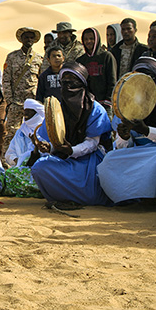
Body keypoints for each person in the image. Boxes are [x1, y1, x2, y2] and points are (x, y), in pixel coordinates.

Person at [97, 57, 156, 208]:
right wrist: (125, 137)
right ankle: (132, 197)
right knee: (110, 159)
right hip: (138, 150)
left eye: (148, 76)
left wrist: (146, 130)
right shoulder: (125, 103)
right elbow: (122, 146)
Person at [30, 62, 112, 207]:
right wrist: (48, 147)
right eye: (64, 82)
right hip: (64, 157)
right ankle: (65, 198)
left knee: (92, 194)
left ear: (82, 84)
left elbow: (92, 143)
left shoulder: (96, 110)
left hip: (90, 158)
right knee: (39, 168)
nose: (67, 86)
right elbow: (54, 139)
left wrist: (72, 150)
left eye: (72, 82)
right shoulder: (57, 110)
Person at [2, 27, 43, 154]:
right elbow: (6, 80)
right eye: (26, 37)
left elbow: (41, 80)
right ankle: (7, 159)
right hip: (16, 102)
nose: (29, 40)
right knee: (11, 132)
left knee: (34, 132)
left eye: (31, 37)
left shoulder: (39, 59)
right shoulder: (12, 57)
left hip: (32, 103)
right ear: (21, 39)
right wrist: (10, 101)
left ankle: (30, 157)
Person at [2, 99, 44, 198]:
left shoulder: (43, 130)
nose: (25, 114)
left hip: (39, 168)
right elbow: (10, 152)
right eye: (25, 111)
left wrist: (36, 147)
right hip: (19, 168)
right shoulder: (21, 131)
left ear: (37, 112)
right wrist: (17, 160)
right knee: (8, 175)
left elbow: (45, 154)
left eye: (29, 111)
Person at [76, 28, 117, 114]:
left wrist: (108, 101)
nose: (88, 41)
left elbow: (112, 81)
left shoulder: (106, 56)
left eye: (91, 39)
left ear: (97, 39)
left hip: (105, 103)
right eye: (86, 39)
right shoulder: (80, 60)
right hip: (88, 105)